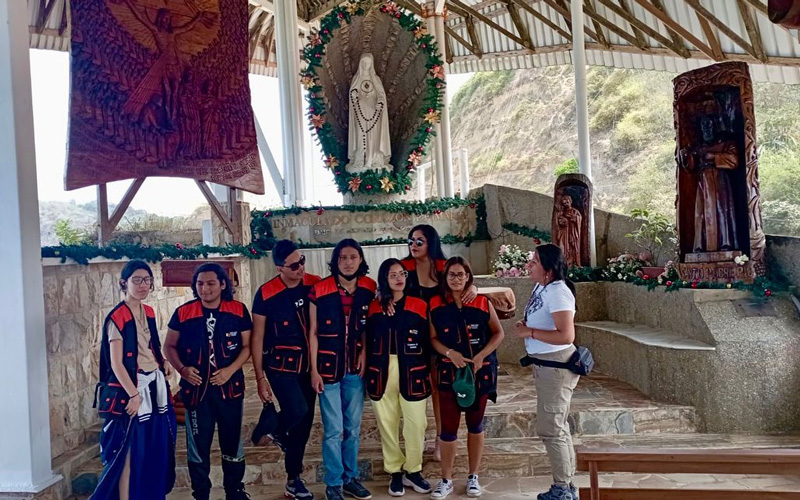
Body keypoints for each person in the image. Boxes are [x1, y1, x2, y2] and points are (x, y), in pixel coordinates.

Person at [164, 263, 253, 500]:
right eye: (200, 283)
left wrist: (231, 370)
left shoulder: (238, 311)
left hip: (230, 391)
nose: (205, 288)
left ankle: (235, 490)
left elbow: (247, 347)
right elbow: (169, 346)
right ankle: (200, 494)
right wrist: (182, 369)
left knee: (232, 443)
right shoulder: (183, 313)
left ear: (223, 284)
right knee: (198, 448)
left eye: (211, 283)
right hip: (196, 394)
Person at [91, 260, 177, 500]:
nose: (143, 285)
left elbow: (151, 345)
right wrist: (133, 395)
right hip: (132, 392)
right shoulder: (117, 317)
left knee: (154, 449)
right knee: (127, 453)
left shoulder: (148, 311)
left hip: (153, 388)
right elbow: (116, 363)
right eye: (137, 280)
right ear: (124, 283)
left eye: (147, 280)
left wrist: (163, 363)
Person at [428, 257, 505, 499]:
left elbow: (498, 333)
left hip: (479, 373)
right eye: (452, 274)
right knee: (448, 429)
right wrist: (450, 353)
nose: (456, 279)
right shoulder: (435, 304)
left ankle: (473, 476)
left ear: (468, 276)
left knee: (475, 425)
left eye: (461, 274)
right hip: (449, 373)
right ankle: (446, 479)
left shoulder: (482, 302)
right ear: (445, 277)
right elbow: (433, 339)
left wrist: (482, 356)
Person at [400, 224, 477, 461]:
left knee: (437, 388)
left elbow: (464, 278)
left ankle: (440, 438)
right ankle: (415, 436)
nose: (413, 245)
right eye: (411, 240)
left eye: (419, 241)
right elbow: (389, 285)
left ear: (430, 242)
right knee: (413, 386)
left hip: (440, 334)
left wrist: (473, 286)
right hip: (412, 334)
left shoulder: (444, 267)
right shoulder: (403, 266)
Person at [251, 240, 321, 500]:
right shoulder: (266, 293)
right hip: (279, 366)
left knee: (303, 425)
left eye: (302, 261)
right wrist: (259, 378)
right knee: (298, 410)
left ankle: (293, 479)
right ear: (280, 268)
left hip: (309, 365)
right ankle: (272, 430)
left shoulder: (314, 283)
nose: (301, 267)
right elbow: (256, 338)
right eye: (294, 265)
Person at [309, 239, 376, 500]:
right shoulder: (320, 289)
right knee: (334, 428)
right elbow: (312, 332)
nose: (348, 262)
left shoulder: (370, 287)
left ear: (360, 260)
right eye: (343, 257)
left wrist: (364, 353)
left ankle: (350, 478)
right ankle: (334, 482)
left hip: (354, 368)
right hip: (327, 367)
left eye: (353, 257)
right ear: (336, 261)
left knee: (353, 427)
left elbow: (370, 326)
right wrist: (313, 370)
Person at [514, 244, 579, 500]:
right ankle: (568, 485)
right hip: (545, 365)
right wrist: (528, 324)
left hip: (556, 366)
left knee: (552, 427)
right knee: (555, 426)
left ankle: (563, 489)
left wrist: (529, 332)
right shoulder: (542, 286)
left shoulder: (559, 292)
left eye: (534, 261)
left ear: (548, 269)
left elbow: (566, 335)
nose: (529, 264)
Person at [365, 259, 433, 497]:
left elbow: (428, 341)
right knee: (387, 423)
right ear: (384, 278)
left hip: (413, 370)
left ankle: (412, 470)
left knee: (416, 424)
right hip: (381, 371)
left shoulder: (419, 305)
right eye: (392, 274)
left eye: (402, 273)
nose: (398, 278)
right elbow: (366, 339)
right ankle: (394, 471)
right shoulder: (374, 307)